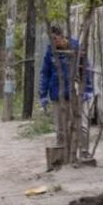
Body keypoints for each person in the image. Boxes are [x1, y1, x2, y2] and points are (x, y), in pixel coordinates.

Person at [40, 25, 94, 156]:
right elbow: (45, 73)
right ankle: (62, 154)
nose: (53, 42)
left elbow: (85, 69)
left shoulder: (76, 47)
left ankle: (84, 152)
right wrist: (43, 94)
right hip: (56, 93)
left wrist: (88, 89)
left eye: (55, 38)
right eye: (51, 39)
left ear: (62, 36)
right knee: (60, 127)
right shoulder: (50, 51)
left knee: (80, 125)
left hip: (74, 93)